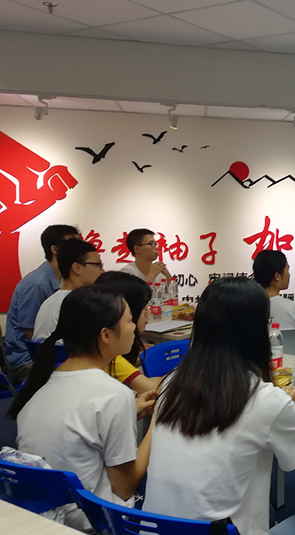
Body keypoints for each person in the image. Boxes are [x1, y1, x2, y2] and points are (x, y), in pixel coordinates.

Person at [143, 277, 295, 535]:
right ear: (258, 331)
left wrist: (282, 405)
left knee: (265, 508)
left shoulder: (171, 383)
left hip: (155, 530)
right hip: (218, 531)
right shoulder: (266, 399)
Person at [8, 285, 156, 532]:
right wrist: (156, 424)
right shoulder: (112, 394)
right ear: (106, 334)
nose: (134, 328)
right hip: (94, 523)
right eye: (130, 320)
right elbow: (123, 487)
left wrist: (131, 411)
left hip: (46, 518)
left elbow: (77, 432)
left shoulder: (41, 385)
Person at [4, 224, 79, 381]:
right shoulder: (36, 284)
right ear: (55, 249)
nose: (77, 249)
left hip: (52, 353)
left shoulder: (63, 278)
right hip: (27, 360)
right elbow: (31, 334)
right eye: (71, 244)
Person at [95, 271, 162, 394]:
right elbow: (153, 387)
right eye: (144, 307)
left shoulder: (98, 352)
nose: (148, 312)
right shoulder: (110, 359)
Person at [32, 239, 104, 342]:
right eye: (98, 265)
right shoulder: (79, 304)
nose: (102, 271)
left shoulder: (49, 302)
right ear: (77, 268)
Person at [252, 250, 295, 329]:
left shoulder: (246, 307)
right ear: (277, 276)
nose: (289, 275)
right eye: (287, 270)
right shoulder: (293, 308)